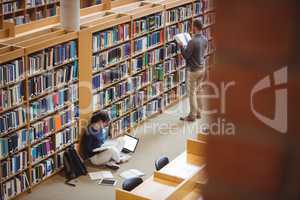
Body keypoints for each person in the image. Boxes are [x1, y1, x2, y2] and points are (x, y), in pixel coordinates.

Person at [179, 19, 208, 122]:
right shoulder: (205, 39)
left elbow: (186, 56)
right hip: (202, 68)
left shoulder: (192, 41)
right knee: (199, 91)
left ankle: (192, 115)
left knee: (192, 93)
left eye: (192, 26)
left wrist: (182, 47)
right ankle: (199, 113)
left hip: (193, 70)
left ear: (195, 27)